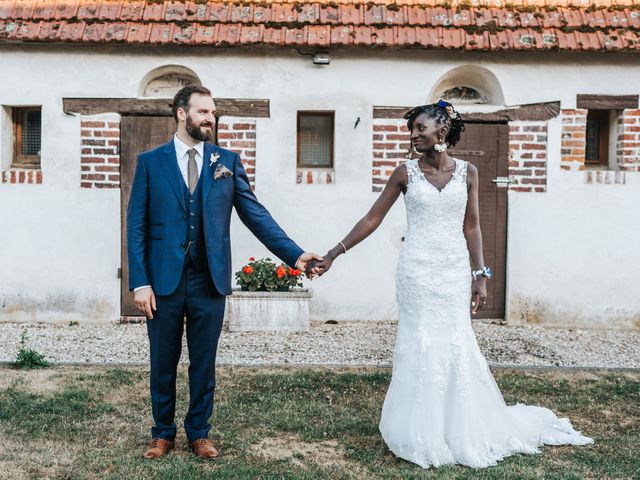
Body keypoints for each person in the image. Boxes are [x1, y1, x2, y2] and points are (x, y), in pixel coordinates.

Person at [307, 101, 592, 468]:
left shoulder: (468, 172)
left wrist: (480, 275)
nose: (413, 135)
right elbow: (372, 218)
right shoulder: (404, 173)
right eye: (412, 130)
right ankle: (418, 430)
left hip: (453, 272)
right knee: (420, 343)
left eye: (420, 129)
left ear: (441, 132)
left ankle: (458, 427)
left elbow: (472, 226)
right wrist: (333, 254)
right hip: (416, 273)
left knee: (455, 343)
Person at [127, 84, 321, 460]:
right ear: (181, 113)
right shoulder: (151, 162)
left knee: (204, 361)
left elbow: (255, 215)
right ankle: (162, 433)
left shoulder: (226, 162)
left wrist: (294, 255)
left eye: (213, 113)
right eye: (203, 112)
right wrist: (140, 282)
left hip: (209, 280)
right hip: (163, 280)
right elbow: (136, 225)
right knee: (162, 361)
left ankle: (199, 432)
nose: (210, 119)